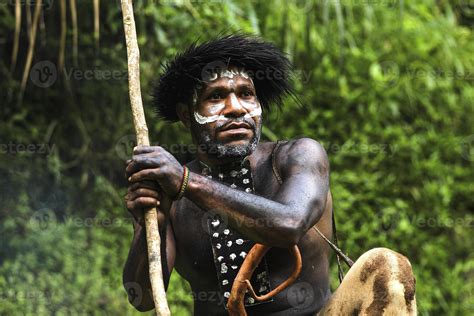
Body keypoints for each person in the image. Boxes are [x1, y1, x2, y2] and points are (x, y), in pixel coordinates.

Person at [123, 34, 416, 315]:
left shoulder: (296, 157)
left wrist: (187, 182)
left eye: (246, 94)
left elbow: (289, 223)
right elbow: (144, 298)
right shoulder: (174, 196)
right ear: (187, 115)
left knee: (386, 266)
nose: (235, 109)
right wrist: (150, 224)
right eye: (217, 96)